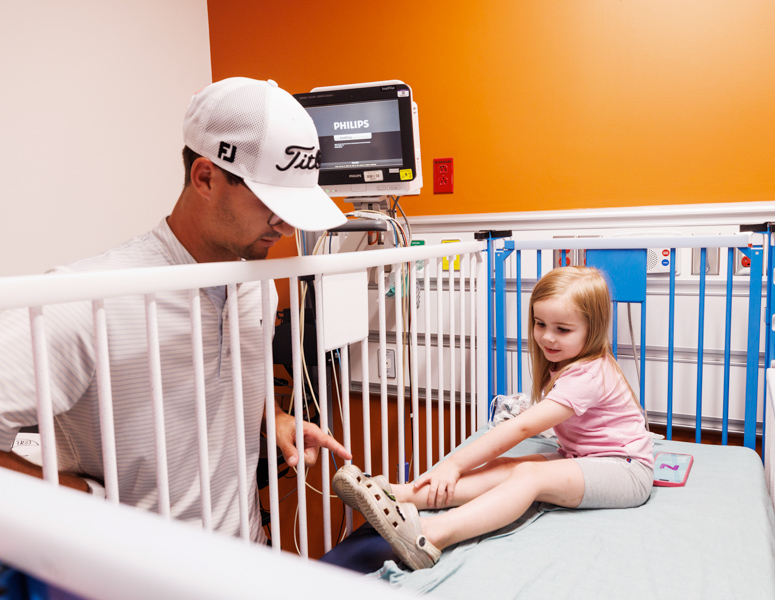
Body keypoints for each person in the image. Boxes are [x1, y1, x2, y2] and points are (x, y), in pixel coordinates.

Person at [0, 77, 351, 542]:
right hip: (133, 577)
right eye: (271, 204)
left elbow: (221, 382)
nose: (284, 226)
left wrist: (274, 417)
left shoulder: (255, 290)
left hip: (245, 561)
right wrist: (79, 500)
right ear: (205, 177)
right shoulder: (84, 299)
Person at [333, 266, 653, 569]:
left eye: (563, 329)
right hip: (583, 457)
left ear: (593, 329)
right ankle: (397, 495)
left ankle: (432, 534)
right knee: (506, 467)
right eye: (540, 324)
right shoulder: (566, 365)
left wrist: (453, 464)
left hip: (625, 471)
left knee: (529, 475)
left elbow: (524, 427)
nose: (547, 338)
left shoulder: (590, 375)